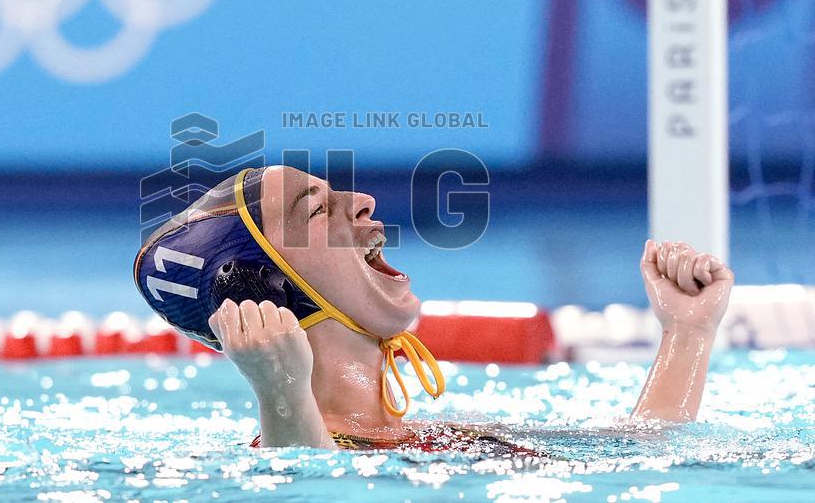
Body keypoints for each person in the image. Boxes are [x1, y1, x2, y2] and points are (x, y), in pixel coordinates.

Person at [134, 166, 734, 451]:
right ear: (268, 289)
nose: (363, 202)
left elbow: (645, 451)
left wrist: (687, 332)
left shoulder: (427, 433)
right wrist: (283, 394)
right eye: (317, 211)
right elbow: (307, 488)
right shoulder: (292, 449)